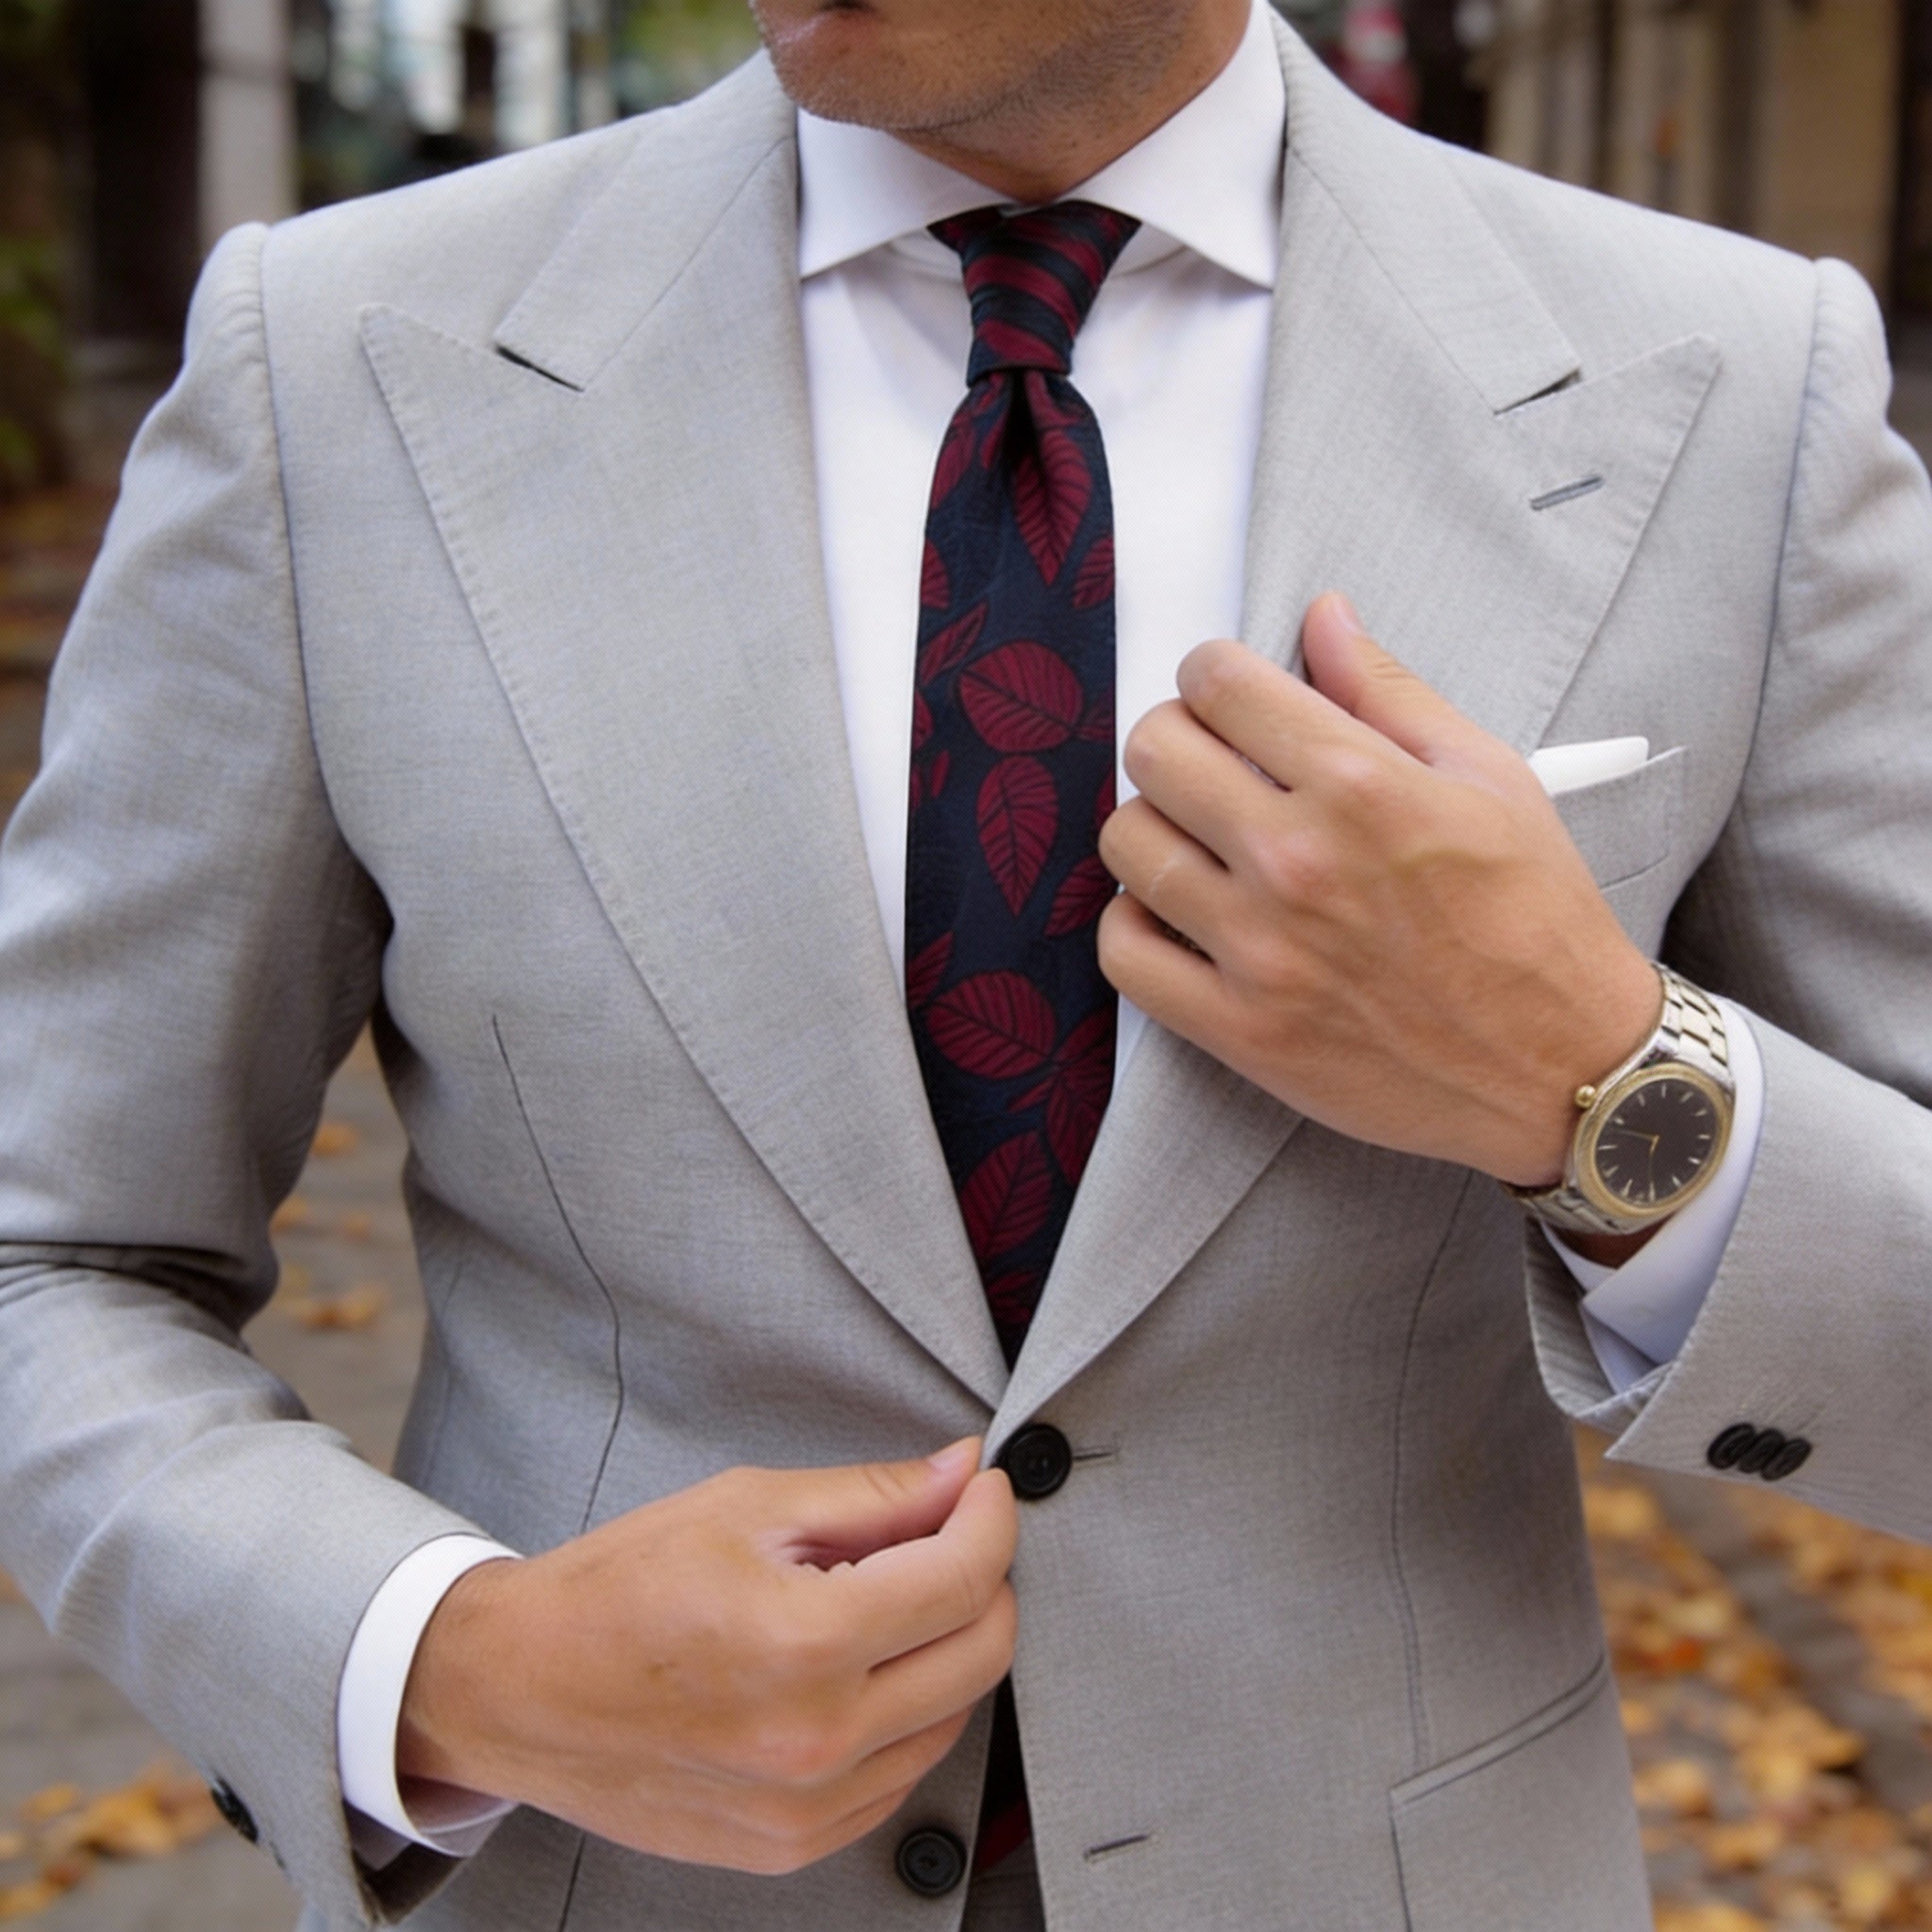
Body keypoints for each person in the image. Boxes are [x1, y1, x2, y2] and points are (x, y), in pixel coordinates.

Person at [1, 0, 1928, 1924]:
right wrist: (448, 1666)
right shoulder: (332, 365)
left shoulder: (1734, 393)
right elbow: (51, 1247)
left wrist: (1597, 1080)